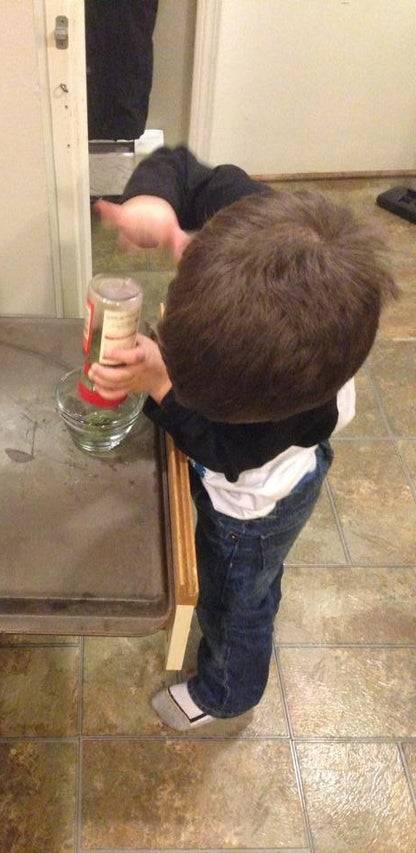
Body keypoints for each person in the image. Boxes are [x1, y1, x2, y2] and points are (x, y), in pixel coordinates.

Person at [90, 147, 398, 731]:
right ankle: (259, 589)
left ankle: (229, 690)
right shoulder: (268, 225)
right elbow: (185, 169)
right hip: (290, 451)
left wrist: (159, 382)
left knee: (236, 600)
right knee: (254, 582)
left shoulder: (257, 434)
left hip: (254, 507)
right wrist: (152, 201)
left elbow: (216, 448)